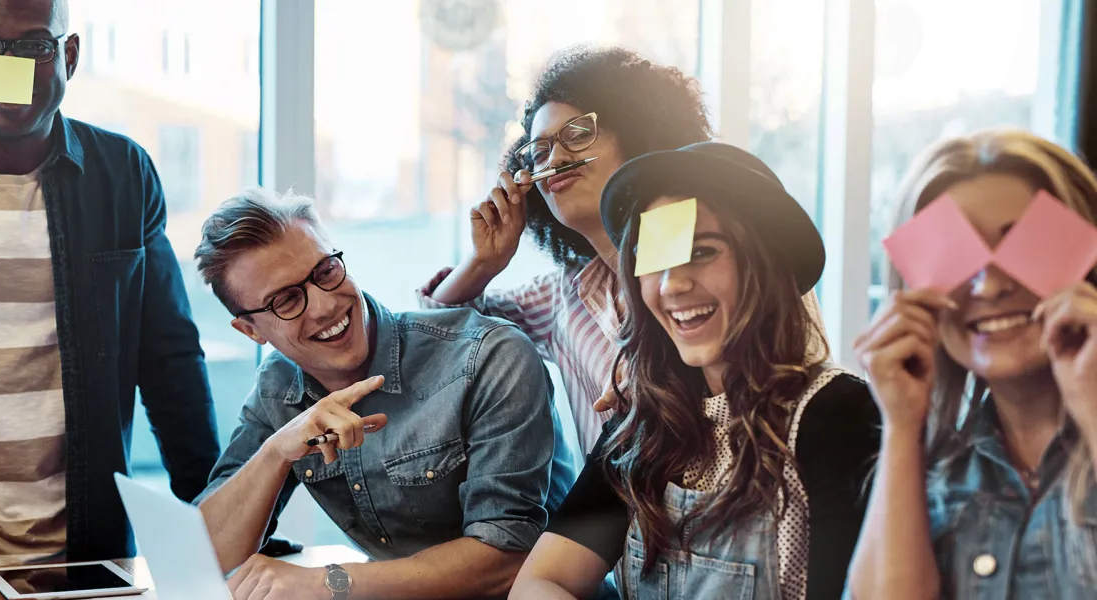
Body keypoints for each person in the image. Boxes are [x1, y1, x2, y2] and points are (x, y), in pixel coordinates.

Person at [0, 0, 219, 571]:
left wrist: (217, 525)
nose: (9, 69)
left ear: (69, 55)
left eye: (34, 48)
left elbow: (169, 361)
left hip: (79, 562)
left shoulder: (123, 174)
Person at [509, 142, 881, 600]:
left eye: (702, 252)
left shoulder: (839, 415)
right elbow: (540, 581)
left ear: (763, 263)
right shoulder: (642, 425)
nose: (673, 285)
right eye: (654, 262)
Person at [193, 189, 575, 600]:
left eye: (324, 272)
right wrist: (274, 452)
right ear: (251, 331)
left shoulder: (489, 355)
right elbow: (203, 555)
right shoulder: (279, 387)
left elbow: (508, 560)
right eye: (286, 300)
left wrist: (330, 583)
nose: (324, 306)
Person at [416, 46, 719, 453]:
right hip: (626, 516)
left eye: (578, 134)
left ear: (637, 134)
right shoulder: (561, 297)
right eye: (539, 153)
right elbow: (438, 340)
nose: (555, 158)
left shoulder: (715, 252)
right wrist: (482, 263)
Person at [847, 130, 1097, 600]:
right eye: (959, 259)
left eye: (1021, 246)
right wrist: (901, 424)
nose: (988, 287)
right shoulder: (936, 475)